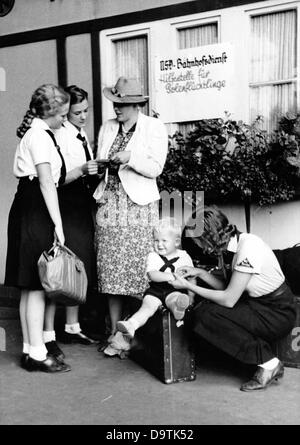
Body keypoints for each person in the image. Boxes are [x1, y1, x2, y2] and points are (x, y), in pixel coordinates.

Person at [171, 206, 297, 391]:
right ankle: (261, 357)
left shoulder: (248, 247)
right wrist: (201, 273)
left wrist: (189, 286)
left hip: (276, 313)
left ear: (209, 235)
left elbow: (229, 299)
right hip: (257, 305)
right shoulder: (231, 246)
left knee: (206, 315)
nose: (196, 244)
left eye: (197, 239)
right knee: (205, 310)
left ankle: (269, 363)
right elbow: (228, 288)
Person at [94, 76, 168, 343]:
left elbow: (156, 167)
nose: (116, 108)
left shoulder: (153, 127)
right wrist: (97, 166)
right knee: (111, 271)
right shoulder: (108, 127)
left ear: (137, 104)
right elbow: (103, 159)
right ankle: (114, 332)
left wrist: (131, 158)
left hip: (138, 206)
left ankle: (135, 334)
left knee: (137, 269)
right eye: (115, 103)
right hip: (110, 204)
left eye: (122, 104)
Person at [4, 84, 71, 372]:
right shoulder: (40, 136)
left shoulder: (36, 133)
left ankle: (32, 350)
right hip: (35, 207)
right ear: (51, 113)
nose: (65, 121)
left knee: (30, 285)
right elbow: (46, 182)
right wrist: (58, 223)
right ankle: (36, 353)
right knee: (35, 284)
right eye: (63, 115)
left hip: (26, 205)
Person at [43, 85, 99, 360]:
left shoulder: (81, 133)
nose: (83, 116)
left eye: (86, 111)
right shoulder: (57, 135)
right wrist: (79, 171)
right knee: (60, 266)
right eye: (77, 112)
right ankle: (47, 335)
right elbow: (53, 178)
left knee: (79, 264)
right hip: (64, 201)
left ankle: (72, 326)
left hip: (80, 202)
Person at [116, 218, 195, 340]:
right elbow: (152, 275)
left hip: (175, 290)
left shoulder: (184, 256)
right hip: (155, 291)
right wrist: (173, 276)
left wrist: (191, 297)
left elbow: (191, 278)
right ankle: (131, 325)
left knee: (174, 300)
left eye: (164, 240)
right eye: (156, 240)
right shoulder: (153, 256)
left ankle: (178, 309)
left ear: (177, 242)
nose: (159, 244)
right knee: (147, 307)